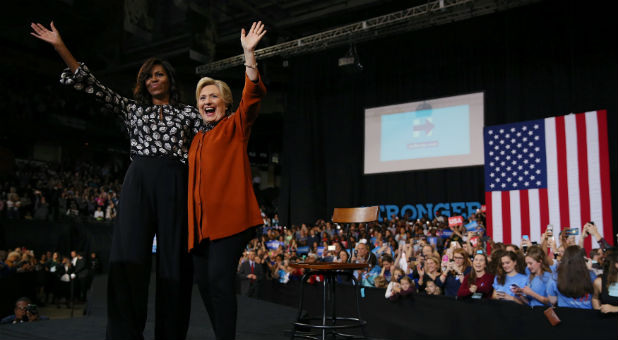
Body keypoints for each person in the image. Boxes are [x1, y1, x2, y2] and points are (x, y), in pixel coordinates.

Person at [31, 21, 202, 340]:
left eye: (159, 74)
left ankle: (171, 333)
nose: (153, 79)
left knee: (175, 262)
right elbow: (92, 84)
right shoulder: (132, 110)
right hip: (138, 181)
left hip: (175, 182)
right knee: (129, 257)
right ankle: (124, 333)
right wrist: (60, 46)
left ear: (169, 80)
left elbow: (218, 137)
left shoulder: (189, 114)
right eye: (148, 76)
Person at [187, 21, 267, 340]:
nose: (207, 101)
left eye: (213, 96)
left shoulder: (236, 126)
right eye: (202, 97)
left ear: (225, 102)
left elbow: (253, 95)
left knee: (220, 281)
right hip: (201, 225)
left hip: (229, 222)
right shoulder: (195, 140)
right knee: (206, 284)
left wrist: (249, 55)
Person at [592, 248, 618, 313]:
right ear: (616, 265)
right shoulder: (599, 282)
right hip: (606, 320)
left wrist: (615, 308)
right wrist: (598, 310)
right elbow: (595, 298)